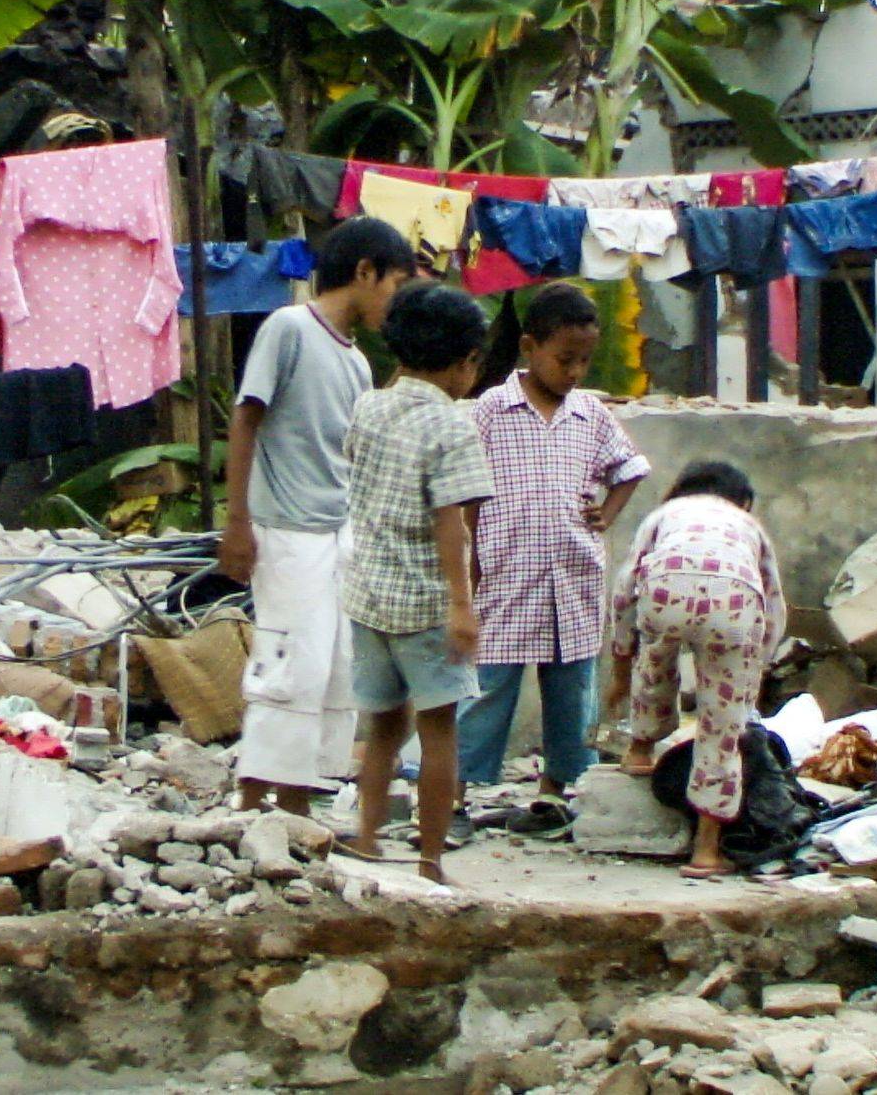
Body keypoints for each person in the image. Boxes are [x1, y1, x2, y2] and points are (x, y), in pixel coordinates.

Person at [219, 217, 416, 817]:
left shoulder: (357, 363)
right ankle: (255, 801)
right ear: (364, 272)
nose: (394, 303)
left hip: (338, 532)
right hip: (287, 530)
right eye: (394, 285)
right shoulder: (289, 328)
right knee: (288, 667)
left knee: (333, 668)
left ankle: (299, 799)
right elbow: (246, 418)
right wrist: (237, 521)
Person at [455, 283, 650, 841]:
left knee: (571, 693)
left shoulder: (590, 414)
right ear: (529, 347)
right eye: (565, 360)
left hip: (573, 579)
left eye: (584, 361)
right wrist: (469, 565)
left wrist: (606, 514)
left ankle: (554, 793)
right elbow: (467, 492)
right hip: (506, 576)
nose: (575, 372)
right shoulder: (492, 409)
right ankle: (455, 796)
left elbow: (630, 468)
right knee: (486, 689)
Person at [343, 282, 494, 884]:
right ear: (465, 361)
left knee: (382, 724)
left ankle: (367, 837)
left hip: (366, 594)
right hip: (426, 602)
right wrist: (462, 605)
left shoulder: (368, 407)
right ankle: (431, 859)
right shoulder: (452, 425)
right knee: (438, 733)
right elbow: (450, 520)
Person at [606, 460, 787, 878]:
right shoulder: (748, 524)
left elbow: (625, 587)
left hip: (666, 591)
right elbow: (774, 602)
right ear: (742, 500)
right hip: (734, 602)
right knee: (722, 730)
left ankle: (640, 748)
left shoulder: (664, 515)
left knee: (655, 658)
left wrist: (620, 661)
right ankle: (706, 851)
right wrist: (754, 668)